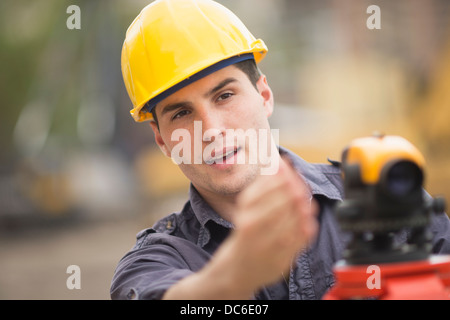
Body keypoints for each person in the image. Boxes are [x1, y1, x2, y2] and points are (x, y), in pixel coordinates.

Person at [110, 0, 450, 300]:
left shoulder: (385, 199)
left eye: (225, 95)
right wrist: (236, 275)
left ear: (265, 96)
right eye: (182, 113)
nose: (211, 130)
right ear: (161, 139)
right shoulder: (155, 261)